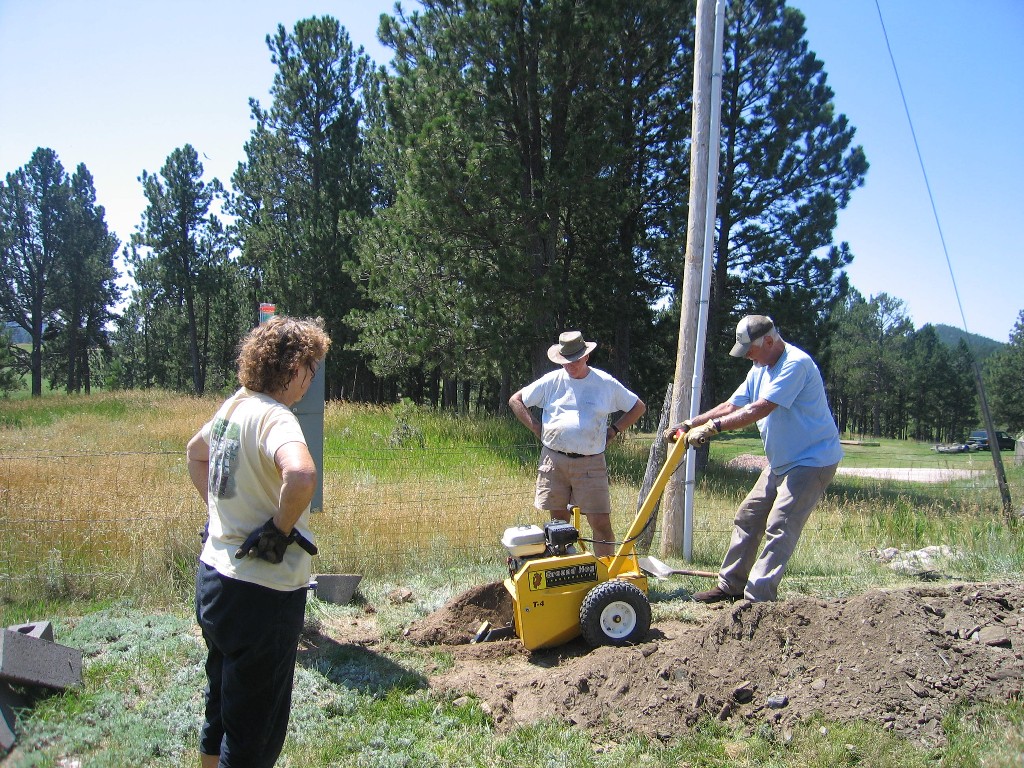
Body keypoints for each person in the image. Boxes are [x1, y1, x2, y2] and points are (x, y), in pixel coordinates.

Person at [186, 315, 331, 768]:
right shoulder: (275, 416)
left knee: (222, 701)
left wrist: (218, 513)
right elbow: (303, 474)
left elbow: (196, 451)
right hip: (262, 596)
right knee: (253, 734)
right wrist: (279, 530)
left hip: (214, 580)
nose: (310, 379)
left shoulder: (234, 406)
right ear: (292, 368)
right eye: (310, 368)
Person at [668, 315, 843, 603]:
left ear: (770, 341)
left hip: (812, 460)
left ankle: (758, 599)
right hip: (782, 460)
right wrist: (689, 423)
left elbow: (759, 409)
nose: (747, 356)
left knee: (780, 523)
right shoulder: (759, 367)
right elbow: (731, 405)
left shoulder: (795, 364)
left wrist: (713, 429)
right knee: (748, 516)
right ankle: (730, 586)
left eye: (750, 349)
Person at [509, 331, 646, 557]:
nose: (570, 366)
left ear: (586, 357)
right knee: (557, 524)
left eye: (574, 360)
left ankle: (605, 577)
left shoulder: (604, 383)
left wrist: (613, 431)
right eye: (565, 362)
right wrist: (536, 427)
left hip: (590, 463)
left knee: (600, 523)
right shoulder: (551, 381)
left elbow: (638, 406)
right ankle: (565, 570)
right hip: (554, 460)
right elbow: (516, 400)